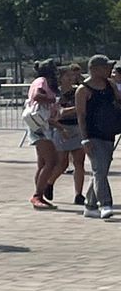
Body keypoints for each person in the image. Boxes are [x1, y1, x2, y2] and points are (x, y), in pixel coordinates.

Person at [76, 54, 120, 219]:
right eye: (105, 66)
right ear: (94, 69)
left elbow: (119, 101)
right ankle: (106, 204)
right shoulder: (83, 90)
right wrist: (84, 138)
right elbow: (81, 115)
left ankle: (90, 205)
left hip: (108, 133)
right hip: (92, 135)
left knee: (100, 171)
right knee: (99, 170)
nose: (109, 69)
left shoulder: (110, 85)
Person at [24, 59, 62, 210]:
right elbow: (38, 96)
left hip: (44, 125)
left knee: (42, 163)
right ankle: (37, 195)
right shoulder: (41, 81)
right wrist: (52, 99)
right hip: (39, 126)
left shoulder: (48, 83)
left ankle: (39, 194)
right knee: (51, 161)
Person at [51, 65, 88, 208]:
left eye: (72, 75)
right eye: (67, 76)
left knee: (79, 162)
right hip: (61, 128)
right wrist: (76, 108)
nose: (71, 78)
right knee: (62, 164)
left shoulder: (77, 91)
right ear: (60, 78)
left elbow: (85, 104)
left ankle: (78, 194)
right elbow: (57, 113)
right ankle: (49, 183)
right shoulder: (55, 93)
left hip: (76, 127)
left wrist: (73, 109)